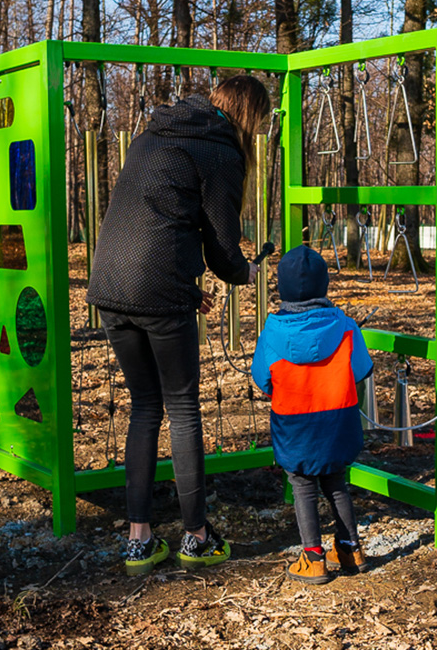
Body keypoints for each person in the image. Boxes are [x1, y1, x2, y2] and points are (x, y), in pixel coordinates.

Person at [86, 75, 269, 576]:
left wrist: (187, 289)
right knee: (184, 408)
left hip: (110, 286)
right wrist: (243, 272)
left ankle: (139, 541)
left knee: (145, 407)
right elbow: (222, 248)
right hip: (157, 291)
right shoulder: (219, 153)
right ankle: (196, 536)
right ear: (250, 116)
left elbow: (153, 219)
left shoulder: (155, 134)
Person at [251, 245, 372, 584]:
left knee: (303, 485)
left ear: (281, 289)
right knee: (336, 482)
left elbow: (262, 379)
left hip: (295, 425)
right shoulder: (346, 328)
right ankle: (351, 549)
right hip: (338, 422)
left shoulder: (271, 334)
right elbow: (362, 370)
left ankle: (313, 557)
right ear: (325, 286)